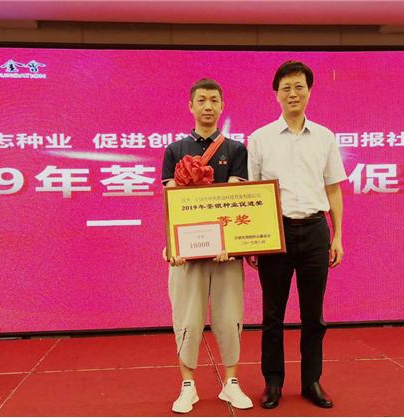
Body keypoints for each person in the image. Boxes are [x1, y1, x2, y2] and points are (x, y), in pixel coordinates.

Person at [247, 61, 346, 409]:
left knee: (313, 315)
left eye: (299, 87)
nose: (293, 93)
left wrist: (337, 235)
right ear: (276, 94)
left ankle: (311, 381)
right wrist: (253, 240)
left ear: (309, 91)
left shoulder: (325, 137)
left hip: (316, 231)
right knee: (272, 315)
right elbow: (253, 193)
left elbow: (333, 189)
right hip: (276, 234)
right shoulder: (259, 139)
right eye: (286, 88)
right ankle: (273, 382)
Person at [161, 78, 252, 414]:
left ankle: (231, 382)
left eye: (214, 100)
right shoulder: (175, 150)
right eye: (201, 100)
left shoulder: (236, 150)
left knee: (229, 317)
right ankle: (188, 385)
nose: (208, 106)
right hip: (188, 254)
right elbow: (172, 203)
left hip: (226, 254)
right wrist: (172, 243)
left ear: (222, 105)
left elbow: (234, 198)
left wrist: (231, 242)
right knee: (187, 318)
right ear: (191, 106)